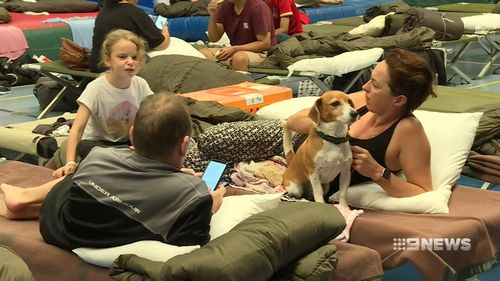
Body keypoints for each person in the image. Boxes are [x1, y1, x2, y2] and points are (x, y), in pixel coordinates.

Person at [0, 94, 226, 250]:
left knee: (81, 174)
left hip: (58, 229)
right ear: (185, 144)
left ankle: (24, 198)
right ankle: (23, 199)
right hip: (110, 236)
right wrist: (210, 205)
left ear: (132, 134)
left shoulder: (98, 156)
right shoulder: (194, 194)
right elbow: (190, 242)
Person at [287, 48, 436, 198]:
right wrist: (326, 123)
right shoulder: (360, 102)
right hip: (289, 153)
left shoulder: (408, 131)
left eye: (375, 85)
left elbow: (423, 192)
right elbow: (292, 122)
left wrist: (377, 173)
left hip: (309, 184)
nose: (365, 86)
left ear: (398, 100)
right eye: (370, 79)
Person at [52, 29, 154, 178]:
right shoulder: (96, 88)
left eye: (134, 57)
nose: (130, 62)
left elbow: (153, 114)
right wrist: (70, 162)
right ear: (108, 60)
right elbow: (77, 129)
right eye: (122, 57)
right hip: (99, 144)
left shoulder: (141, 84)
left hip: (125, 144)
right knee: (88, 148)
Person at [89, 0, 170, 73]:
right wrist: (165, 31)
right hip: (119, 70)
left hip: (96, 65)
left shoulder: (103, 11)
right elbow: (161, 45)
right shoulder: (134, 12)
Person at [199, 0, 276, 71]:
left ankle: (240, 84)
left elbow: (265, 44)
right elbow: (213, 38)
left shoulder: (258, 7)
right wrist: (213, 16)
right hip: (235, 49)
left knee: (239, 58)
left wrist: (235, 49)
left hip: (262, 53)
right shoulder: (225, 6)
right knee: (203, 54)